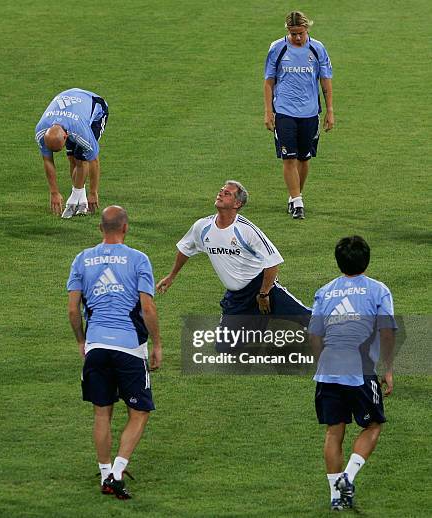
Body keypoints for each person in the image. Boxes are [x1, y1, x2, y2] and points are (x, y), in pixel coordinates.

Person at [67, 206, 162, 499]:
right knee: (140, 411)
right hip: (129, 347)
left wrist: (82, 340)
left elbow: (73, 309)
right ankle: (117, 472)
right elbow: (147, 308)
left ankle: (105, 472)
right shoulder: (138, 259)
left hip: (96, 345)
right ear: (126, 228)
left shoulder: (82, 259)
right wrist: (157, 343)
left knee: (101, 413)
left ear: (100, 228)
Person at [156, 181, 311, 342]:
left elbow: (273, 262)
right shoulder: (202, 227)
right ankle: (261, 325)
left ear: (237, 204)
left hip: (261, 287)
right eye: (221, 190)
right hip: (236, 298)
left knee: (308, 319)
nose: (221, 194)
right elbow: (185, 249)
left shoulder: (246, 230)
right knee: (226, 347)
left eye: (227, 193)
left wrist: (263, 294)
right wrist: (171, 275)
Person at [309, 236, 396, 510]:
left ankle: (336, 499)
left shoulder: (324, 291)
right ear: (366, 260)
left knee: (334, 432)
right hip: (360, 370)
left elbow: (314, 334)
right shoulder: (378, 290)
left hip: (327, 370)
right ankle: (348, 476)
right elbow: (386, 331)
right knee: (373, 425)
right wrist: (388, 368)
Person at [264, 11, 334, 219]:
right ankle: (298, 203)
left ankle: (295, 196)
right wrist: (268, 111)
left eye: (300, 33)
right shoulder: (277, 48)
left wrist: (330, 111)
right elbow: (269, 81)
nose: (297, 37)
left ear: (307, 30)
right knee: (289, 157)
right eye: (293, 33)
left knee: (304, 158)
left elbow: (325, 81)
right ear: (287, 30)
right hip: (284, 111)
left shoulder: (318, 48)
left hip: (310, 112)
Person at [35, 88, 109, 219]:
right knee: (72, 158)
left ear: (66, 136)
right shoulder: (41, 131)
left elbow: (94, 160)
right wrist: (54, 192)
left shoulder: (79, 132)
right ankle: (82, 202)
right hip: (71, 109)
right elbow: (47, 160)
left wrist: (93, 192)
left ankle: (74, 201)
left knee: (81, 158)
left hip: (95, 108)